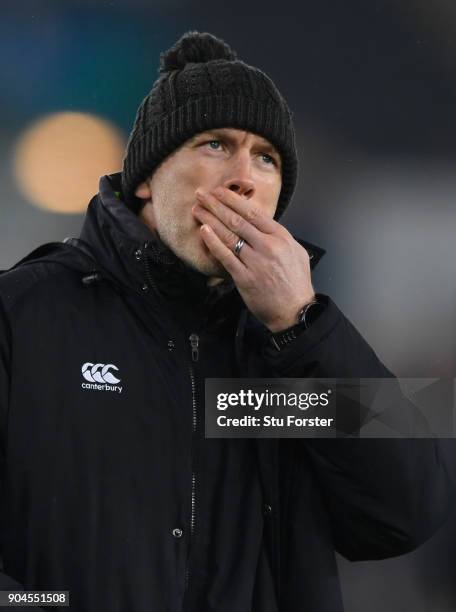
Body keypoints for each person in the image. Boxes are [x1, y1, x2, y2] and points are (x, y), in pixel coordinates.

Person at [0, 31, 452, 612]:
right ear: (145, 178)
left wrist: (302, 325)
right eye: (214, 144)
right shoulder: (26, 313)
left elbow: (412, 512)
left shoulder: (287, 355)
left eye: (266, 158)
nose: (244, 175)